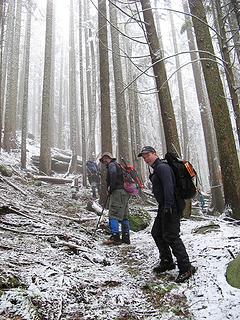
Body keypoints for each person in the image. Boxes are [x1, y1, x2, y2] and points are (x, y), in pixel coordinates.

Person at [138, 146, 196, 283]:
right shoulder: (157, 168)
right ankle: (167, 261)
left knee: (171, 236)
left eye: (147, 155)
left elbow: (169, 186)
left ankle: (186, 267)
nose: (146, 158)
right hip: (164, 206)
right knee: (157, 233)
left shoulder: (162, 167)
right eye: (144, 157)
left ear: (154, 154)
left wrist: (169, 205)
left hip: (171, 206)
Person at [99, 152, 130, 245]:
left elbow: (112, 174)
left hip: (117, 192)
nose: (104, 162)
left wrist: (111, 188)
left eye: (104, 160)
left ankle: (115, 237)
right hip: (125, 193)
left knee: (113, 215)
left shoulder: (112, 165)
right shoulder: (119, 166)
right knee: (124, 216)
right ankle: (126, 237)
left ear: (107, 158)